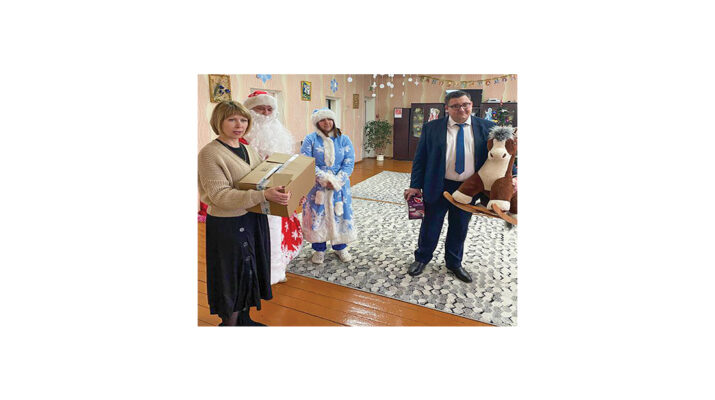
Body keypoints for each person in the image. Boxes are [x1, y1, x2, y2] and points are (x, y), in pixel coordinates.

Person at [198, 100, 291, 326]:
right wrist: (264, 195)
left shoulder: (247, 149)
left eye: (243, 120)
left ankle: (245, 320)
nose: (239, 125)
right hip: (228, 223)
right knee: (233, 276)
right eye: (231, 119)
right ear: (218, 122)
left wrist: (284, 188)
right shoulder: (210, 154)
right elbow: (220, 196)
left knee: (251, 269)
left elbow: (261, 180)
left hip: (253, 217)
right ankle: (229, 325)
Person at [404, 91, 496, 283]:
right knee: (431, 225)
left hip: (469, 188)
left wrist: (513, 176)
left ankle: (454, 263)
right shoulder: (432, 128)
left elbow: (501, 156)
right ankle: (422, 258)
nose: (461, 109)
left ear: (471, 105)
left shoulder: (487, 127)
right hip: (438, 184)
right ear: (447, 108)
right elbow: (420, 159)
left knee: (459, 226)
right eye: (455, 106)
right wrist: (415, 186)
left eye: (465, 104)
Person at [242, 90, 303, 284]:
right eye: (260, 109)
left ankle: (277, 271)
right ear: (250, 111)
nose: (266, 113)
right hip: (253, 198)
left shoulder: (280, 136)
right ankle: (261, 275)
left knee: (277, 235)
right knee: (258, 237)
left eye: (270, 109)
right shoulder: (241, 139)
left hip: (278, 195)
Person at [300, 108, 357, 264]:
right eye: (322, 120)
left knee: (340, 214)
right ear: (317, 122)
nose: (327, 123)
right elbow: (306, 161)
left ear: (334, 121)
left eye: (329, 119)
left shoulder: (343, 139)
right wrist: (324, 179)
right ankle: (319, 249)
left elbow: (349, 162)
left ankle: (340, 247)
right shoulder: (310, 139)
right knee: (317, 216)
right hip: (317, 186)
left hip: (340, 186)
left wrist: (337, 181)